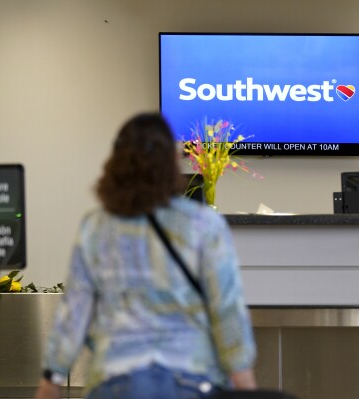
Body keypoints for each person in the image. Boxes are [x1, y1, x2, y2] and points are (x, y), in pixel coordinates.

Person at [35, 113, 257, 399]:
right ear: (170, 164)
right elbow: (226, 308)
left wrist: (50, 381)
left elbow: (74, 312)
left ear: (116, 164)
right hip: (191, 379)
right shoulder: (203, 225)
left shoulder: (96, 227)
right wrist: (244, 381)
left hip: (115, 380)